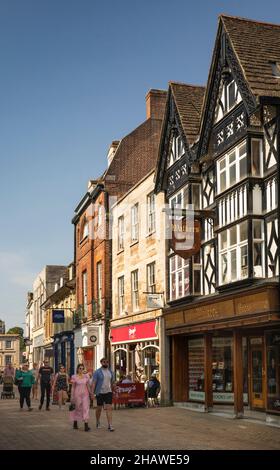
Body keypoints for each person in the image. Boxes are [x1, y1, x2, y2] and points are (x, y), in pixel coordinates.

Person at [91, 358, 114, 432]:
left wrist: (114, 387)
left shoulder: (111, 372)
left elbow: (112, 382)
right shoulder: (97, 372)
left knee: (109, 408)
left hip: (108, 392)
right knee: (99, 408)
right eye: (104, 362)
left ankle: (110, 425)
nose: (106, 363)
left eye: (107, 362)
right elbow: (94, 383)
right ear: (101, 363)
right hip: (100, 392)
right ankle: (97, 421)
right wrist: (92, 393)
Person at [70, 364, 92, 431]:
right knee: (77, 408)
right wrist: (72, 396)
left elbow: (88, 386)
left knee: (86, 408)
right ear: (77, 369)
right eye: (80, 368)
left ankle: (86, 425)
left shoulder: (86, 377)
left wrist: (91, 393)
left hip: (85, 395)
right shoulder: (74, 377)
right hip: (77, 395)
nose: (81, 370)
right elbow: (73, 387)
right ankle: (75, 423)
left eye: (82, 368)